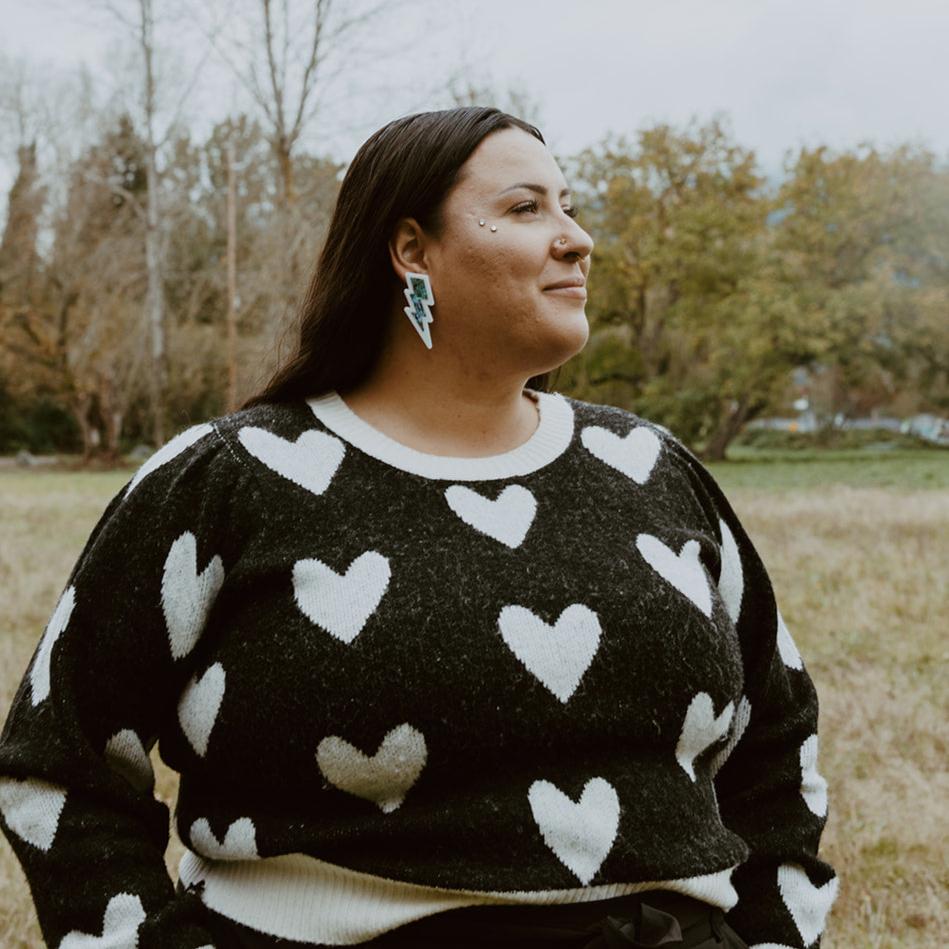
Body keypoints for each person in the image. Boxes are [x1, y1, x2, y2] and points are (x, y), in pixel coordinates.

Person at [0, 107, 837, 949]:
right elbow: (56, 760)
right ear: (411, 251)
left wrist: (773, 934)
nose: (577, 239)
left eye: (569, 205)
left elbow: (777, 735)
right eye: (525, 208)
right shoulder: (230, 479)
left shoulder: (651, 470)